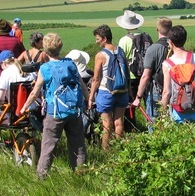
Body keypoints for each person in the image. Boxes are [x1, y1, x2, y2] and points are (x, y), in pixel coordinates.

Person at [20, 33, 88, 178]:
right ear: (60, 47)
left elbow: (35, 92)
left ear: (45, 51)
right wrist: (88, 101)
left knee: (48, 146)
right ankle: (81, 175)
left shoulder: (45, 68)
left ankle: (42, 177)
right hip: (74, 111)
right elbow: (82, 85)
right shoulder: (71, 64)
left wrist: (24, 107)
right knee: (78, 145)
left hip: (55, 113)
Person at [88, 24, 130, 151]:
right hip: (123, 91)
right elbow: (126, 71)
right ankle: (119, 149)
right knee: (119, 121)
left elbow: (96, 79)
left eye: (98, 39)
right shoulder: (120, 50)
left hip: (106, 91)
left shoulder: (100, 55)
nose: (96, 41)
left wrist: (90, 97)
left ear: (104, 39)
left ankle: (106, 151)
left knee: (107, 124)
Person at [131, 17, 172, 123]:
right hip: (173, 89)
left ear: (157, 29)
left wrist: (138, 97)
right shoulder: (176, 47)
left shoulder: (153, 49)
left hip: (156, 90)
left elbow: (146, 76)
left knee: (154, 122)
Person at [161, 25, 195, 124]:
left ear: (170, 42)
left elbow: (166, 92)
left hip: (178, 110)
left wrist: (163, 114)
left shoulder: (168, 64)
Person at [116, 10, 148, 132]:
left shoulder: (124, 40)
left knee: (130, 104)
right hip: (146, 74)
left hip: (131, 76)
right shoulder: (146, 36)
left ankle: (132, 128)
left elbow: (120, 60)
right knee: (147, 102)